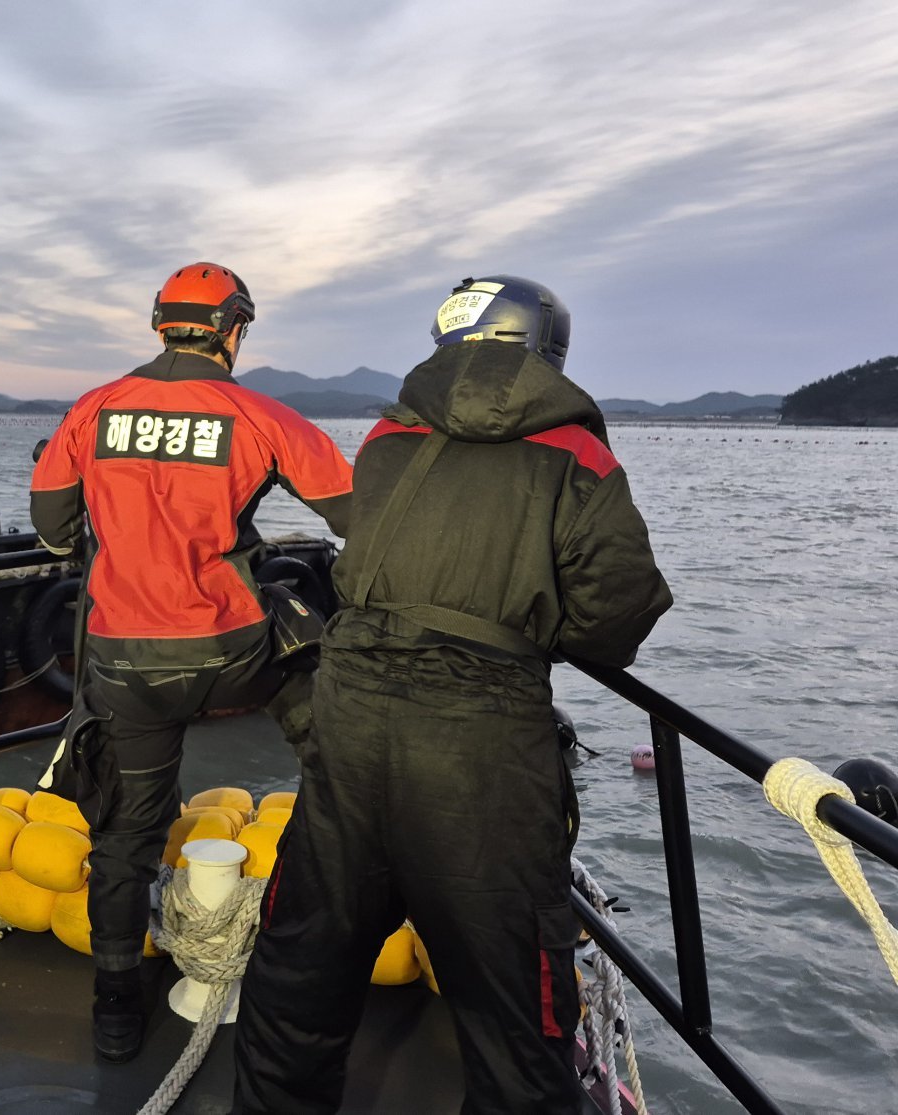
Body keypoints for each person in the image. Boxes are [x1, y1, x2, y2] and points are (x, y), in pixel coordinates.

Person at [232, 275, 673, 1114]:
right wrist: (524, 616)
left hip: (351, 720)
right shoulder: (576, 453)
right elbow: (615, 618)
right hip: (482, 748)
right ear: (545, 348)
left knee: (300, 972)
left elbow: (361, 561)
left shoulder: (389, 435)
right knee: (516, 1018)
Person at [28, 261, 354, 1063]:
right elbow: (356, 513)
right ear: (232, 331)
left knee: (125, 836)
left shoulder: (93, 409)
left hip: (125, 666)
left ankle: (115, 1008)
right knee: (316, 683)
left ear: (160, 324)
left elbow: (52, 529)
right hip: (233, 653)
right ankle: (344, 830)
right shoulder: (260, 414)